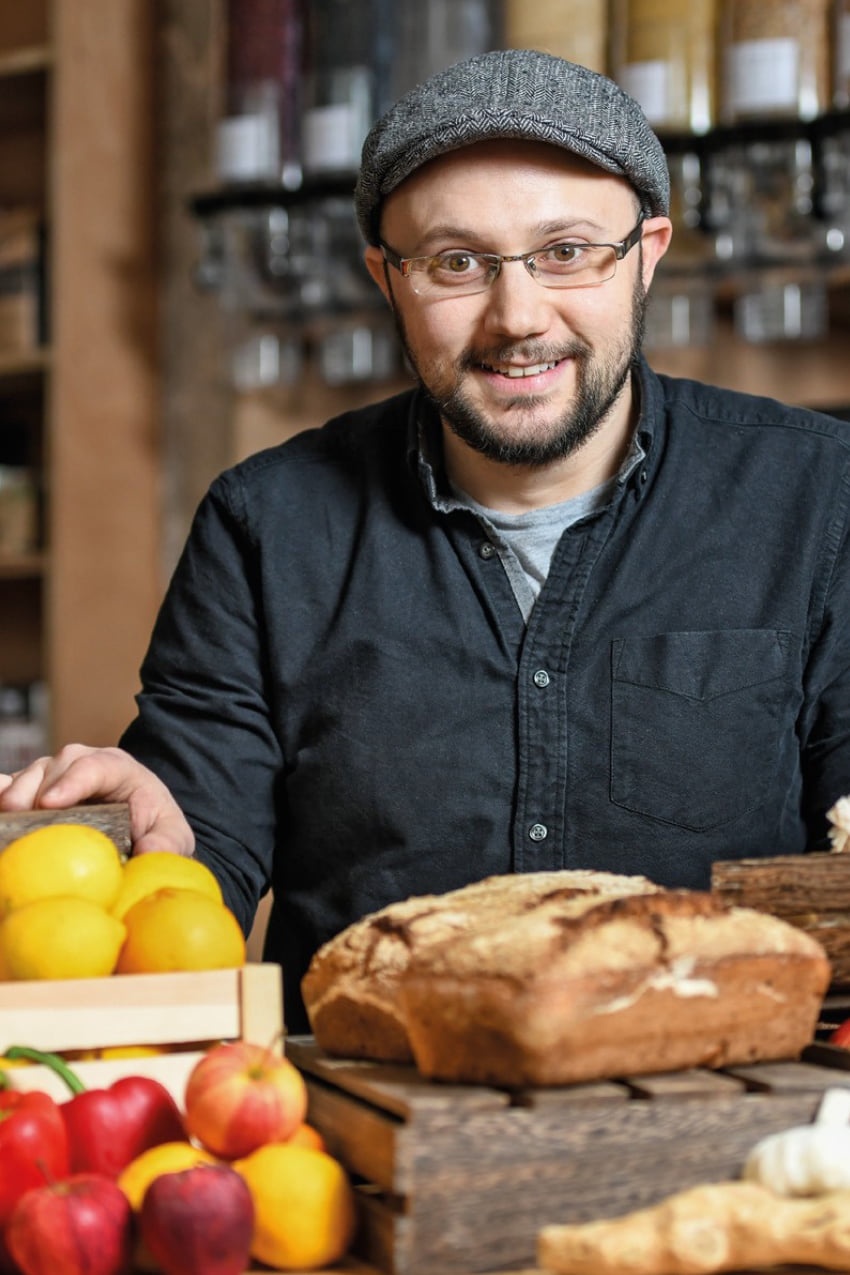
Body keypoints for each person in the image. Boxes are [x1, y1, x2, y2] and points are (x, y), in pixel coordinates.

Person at [2, 49, 850, 1032]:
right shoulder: (264, 526)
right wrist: (150, 846)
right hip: (358, 1147)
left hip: (735, 1135)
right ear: (386, 278)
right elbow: (200, 872)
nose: (517, 317)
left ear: (647, 252)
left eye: (566, 251)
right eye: (457, 262)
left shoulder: (819, 496)